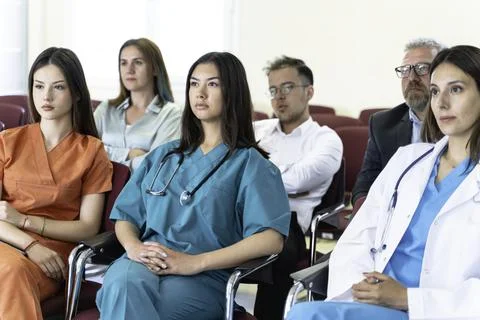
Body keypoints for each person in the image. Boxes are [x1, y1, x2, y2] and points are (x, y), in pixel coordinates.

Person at [287, 44, 480, 319]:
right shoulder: (408, 161)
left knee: (306, 315)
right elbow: (359, 237)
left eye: (456, 89)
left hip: (437, 311)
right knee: (304, 312)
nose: (441, 102)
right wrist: (363, 290)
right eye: (435, 91)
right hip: (374, 303)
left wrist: (408, 298)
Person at [96, 51, 291, 319]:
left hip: (201, 276)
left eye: (212, 84)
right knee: (121, 284)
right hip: (143, 261)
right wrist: (133, 247)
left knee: (152, 309)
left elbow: (271, 239)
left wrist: (193, 263)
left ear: (232, 92)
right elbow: (126, 216)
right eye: (193, 83)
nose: (200, 93)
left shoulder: (252, 165)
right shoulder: (163, 155)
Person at [0, 47, 113, 320]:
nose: (46, 97)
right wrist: (28, 243)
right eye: (39, 86)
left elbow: (87, 228)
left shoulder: (92, 151)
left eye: (58, 87)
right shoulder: (7, 141)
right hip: (9, 239)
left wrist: (26, 222)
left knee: (10, 273)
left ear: (76, 94)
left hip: (52, 256)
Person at [253, 56, 342, 320]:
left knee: (278, 255)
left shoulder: (326, 139)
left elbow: (299, 180)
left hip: (287, 225)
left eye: (288, 87)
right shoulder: (256, 130)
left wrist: (256, 178)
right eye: (273, 90)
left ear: (309, 91)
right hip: (240, 214)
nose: (279, 96)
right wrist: (281, 180)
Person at [352, 38, 445, 206]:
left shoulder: (460, 122)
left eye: (422, 68)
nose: (412, 77)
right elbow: (365, 183)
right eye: (405, 70)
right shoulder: (383, 124)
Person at [94, 38, 183, 172]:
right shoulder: (106, 109)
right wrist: (128, 154)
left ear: (154, 69)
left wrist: (105, 156)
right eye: (123, 63)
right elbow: (85, 150)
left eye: (138, 62)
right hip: (98, 190)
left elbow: (157, 164)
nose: (129, 70)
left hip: (140, 192)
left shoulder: (172, 114)